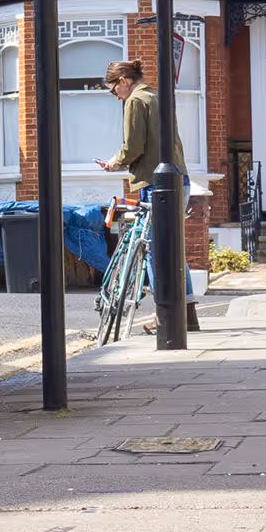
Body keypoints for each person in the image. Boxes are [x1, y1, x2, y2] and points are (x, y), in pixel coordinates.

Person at [96, 59, 199, 330]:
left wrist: (114, 162)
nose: (115, 94)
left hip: (156, 184)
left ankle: (165, 315)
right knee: (172, 248)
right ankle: (187, 315)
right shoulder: (157, 96)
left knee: (155, 250)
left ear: (124, 81)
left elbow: (133, 147)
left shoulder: (135, 101)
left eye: (113, 89)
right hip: (180, 179)